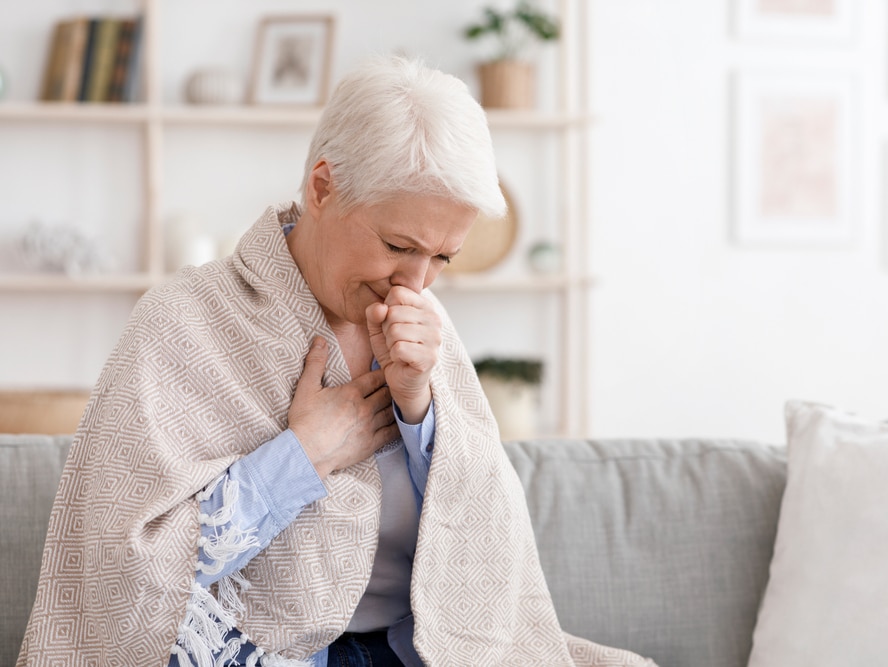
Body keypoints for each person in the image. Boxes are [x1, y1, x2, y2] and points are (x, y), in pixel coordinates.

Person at [17, 56, 656, 667]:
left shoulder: (427, 325)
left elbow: (486, 530)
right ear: (324, 186)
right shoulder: (183, 319)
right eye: (399, 244)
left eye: (442, 258)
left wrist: (418, 411)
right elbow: (124, 570)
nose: (418, 283)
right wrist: (303, 455)